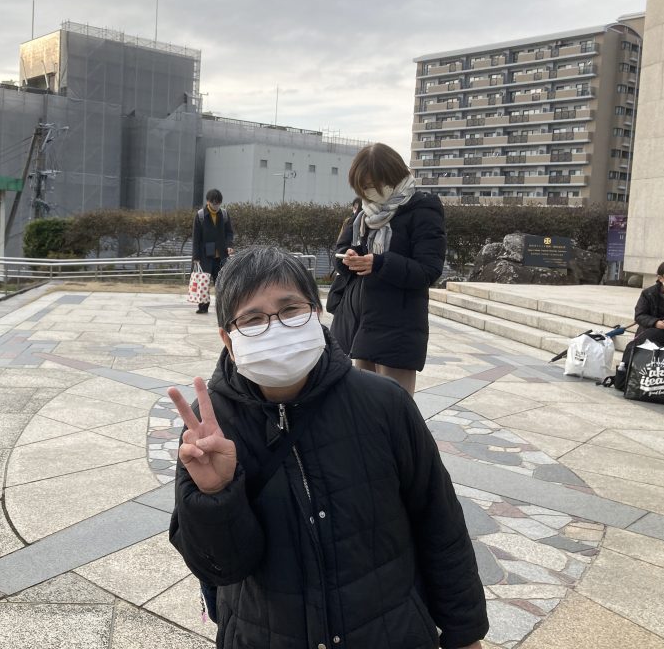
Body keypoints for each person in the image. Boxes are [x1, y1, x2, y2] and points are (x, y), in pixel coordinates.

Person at [168, 246, 488, 649]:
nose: (275, 327)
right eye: (252, 319)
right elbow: (220, 569)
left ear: (316, 313)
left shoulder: (384, 403)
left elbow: (439, 522)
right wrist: (216, 495)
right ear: (227, 339)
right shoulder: (210, 428)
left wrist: (465, 634)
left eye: (290, 310)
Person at [331, 143, 446, 395]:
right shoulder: (364, 213)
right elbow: (341, 251)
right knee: (363, 405)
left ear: (392, 176)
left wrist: (380, 263)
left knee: (394, 406)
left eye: (373, 185)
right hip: (362, 324)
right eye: (363, 187)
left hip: (398, 327)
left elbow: (428, 270)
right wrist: (348, 258)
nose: (369, 192)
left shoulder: (422, 210)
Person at [192, 188, 235, 314]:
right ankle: (203, 306)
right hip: (205, 255)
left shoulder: (224, 214)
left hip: (221, 255)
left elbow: (229, 233)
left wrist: (229, 245)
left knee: (221, 283)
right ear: (208, 202)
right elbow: (196, 238)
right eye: (213, 203)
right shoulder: (200, 215)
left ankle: (222, 308)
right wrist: (196, 256)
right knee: (203, 282)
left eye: (218, 203)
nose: (216, 206)